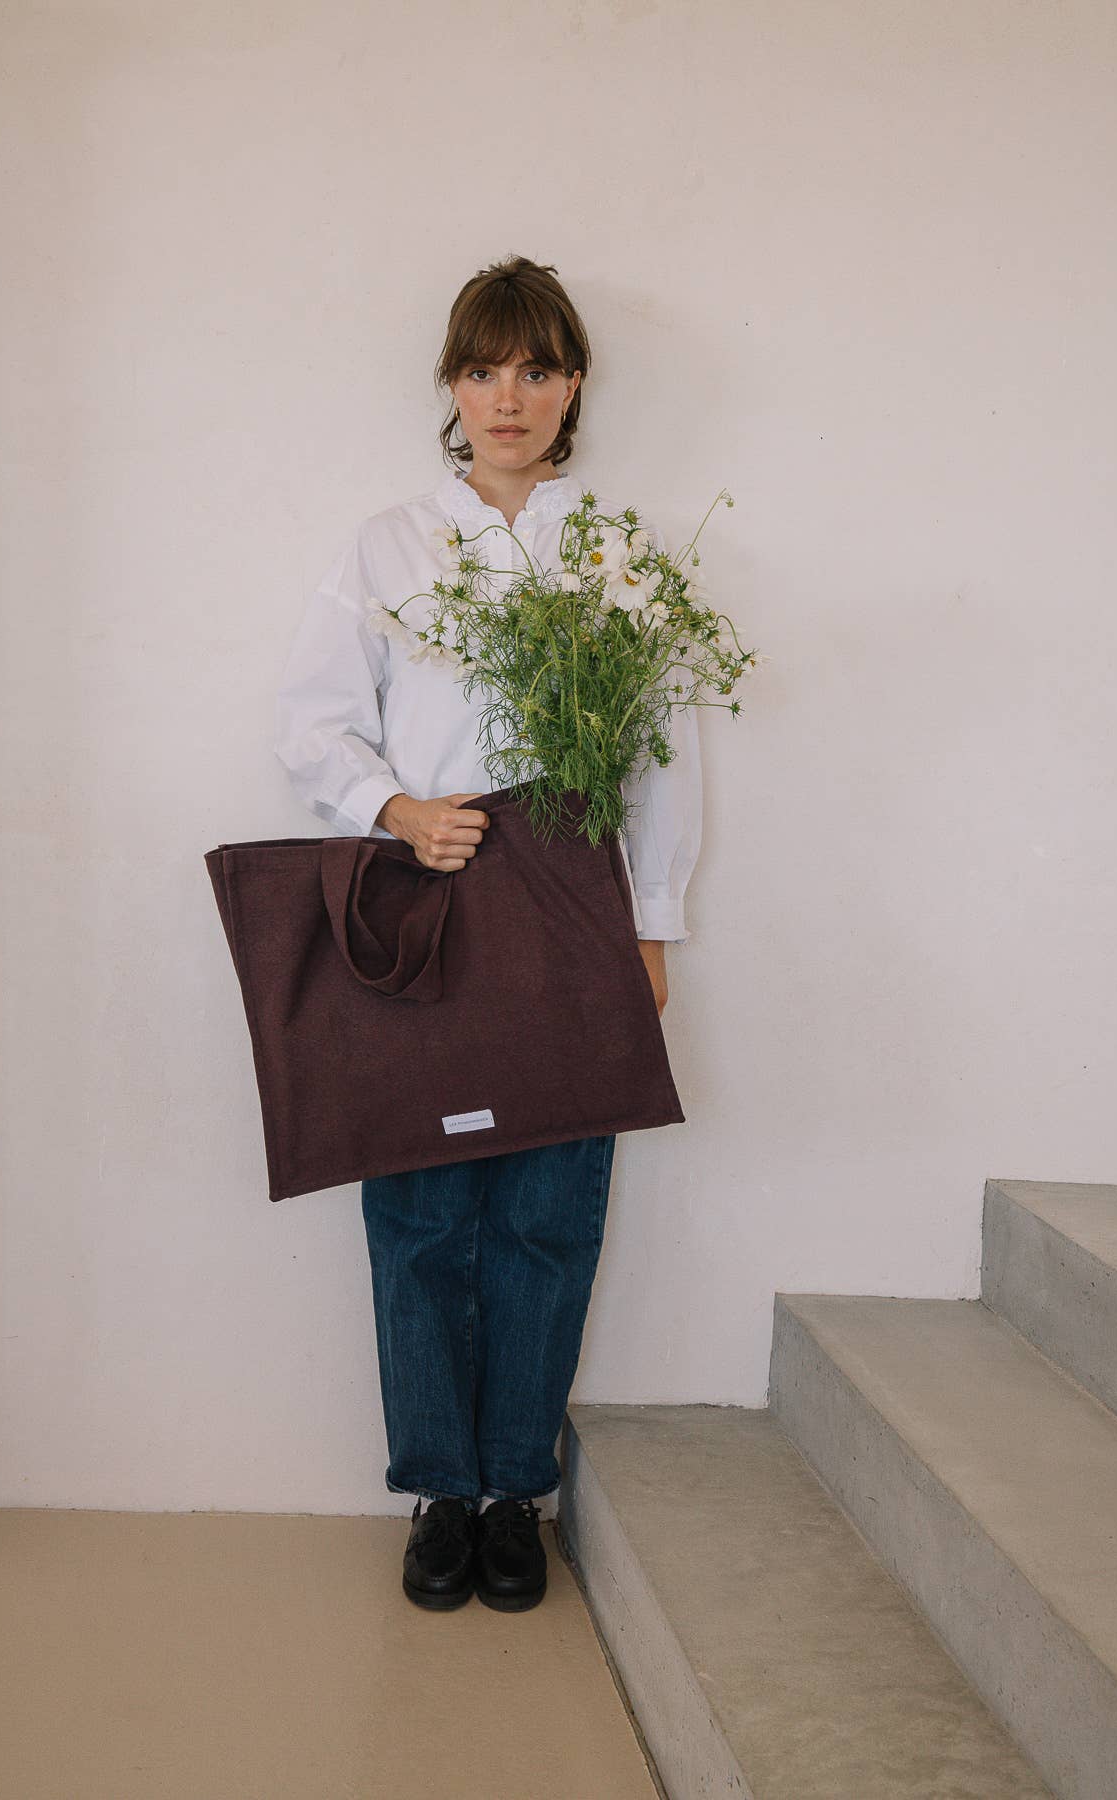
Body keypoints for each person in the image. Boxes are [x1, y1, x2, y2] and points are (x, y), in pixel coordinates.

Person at [272, 255, 702, 1611]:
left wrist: (655, 921)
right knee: (416, 1208)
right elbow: (313, 725)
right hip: (432, 903)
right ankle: (440, 1494)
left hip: (575, 908)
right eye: (481, 367)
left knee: (548, 1212)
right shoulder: (390, 545)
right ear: (452, 386)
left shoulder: (615, 548)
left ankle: (518, 1489)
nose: (506, 395)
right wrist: (397, 806)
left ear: (573, 383)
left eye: (534, 368)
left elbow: (665, 749)